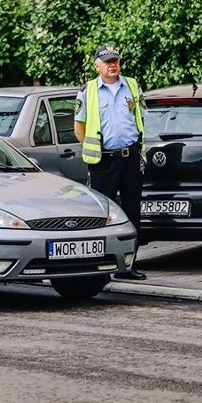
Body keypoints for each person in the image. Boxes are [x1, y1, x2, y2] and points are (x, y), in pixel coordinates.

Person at [74, 44, 146, 280]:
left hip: (131, 158)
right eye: (107, 61)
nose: (112, 64)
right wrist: (93, 153)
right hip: (104, 162)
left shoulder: (132, 86)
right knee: (101, 214)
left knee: (132, 212)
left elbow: (142, 118)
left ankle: (128, 265)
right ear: (97, 65)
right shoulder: (89, 91)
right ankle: (101, 267)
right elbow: (79, 128)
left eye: (115, 60)